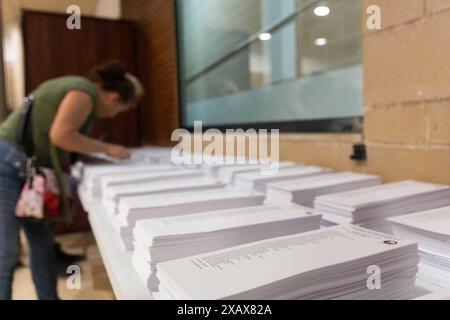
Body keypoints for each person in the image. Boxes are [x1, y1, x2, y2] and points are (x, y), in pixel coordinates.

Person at [0, 61, 144, 300]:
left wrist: (97, 155)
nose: (113, 116)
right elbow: (62, 135)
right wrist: (108, 148)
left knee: (42, 244)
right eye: (120, 109)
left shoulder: (79, 89)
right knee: (7, 250)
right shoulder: (83, 92)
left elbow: (62, 139)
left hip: (25, 169)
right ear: (113, 97)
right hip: (9, 165)